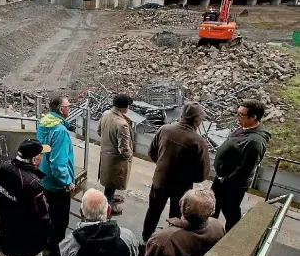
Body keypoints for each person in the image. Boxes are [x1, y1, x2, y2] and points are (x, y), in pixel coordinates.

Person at [0, 138, 53, 256]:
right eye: (41, 155)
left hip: (8, 226)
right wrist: (48, 231)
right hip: (28, 234)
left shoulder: (3, 169)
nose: (42, 158)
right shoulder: (33, 184)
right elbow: (42, 214)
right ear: (34, 160)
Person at [142, 102, 210, 243]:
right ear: (197, 120)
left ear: (182, 115)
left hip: (160, 179)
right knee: (177, 215)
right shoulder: (199, 142)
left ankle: (146, 239)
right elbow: (201, 175)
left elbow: (151, 152)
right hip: (182, 187)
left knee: (153, 211)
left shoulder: (164, 129)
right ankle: (169, 241)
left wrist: (163, 166)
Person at [212, 100, 270, 232]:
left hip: (232, 185)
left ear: (253, 117)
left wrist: (224, 180)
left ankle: (230, 240)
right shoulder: (244, 127)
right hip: (222, 179)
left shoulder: (255, 142)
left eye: (241, 115)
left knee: (231, 214)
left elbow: (245, 169)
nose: (237, 117)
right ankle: (207, 234)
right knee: (212, 208)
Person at [37, 95, 75, 246]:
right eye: (68, 106)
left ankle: (47, 243)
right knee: (60, 222)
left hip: (44, 178)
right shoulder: (60, 131)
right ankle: (55, 253)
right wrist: (67, 182)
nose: (69, 108)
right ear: (61, 110)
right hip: (57, 184)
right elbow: (58, 164)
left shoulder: (44, 122)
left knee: (48, 216)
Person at [97, 94, 134, 215]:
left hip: (106, 154)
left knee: (109, 180)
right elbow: (123, 148)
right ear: (124, 108)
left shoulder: (106, 113)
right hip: (116, 159)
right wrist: (128, 156)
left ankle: (111, 197)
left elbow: (99, 131)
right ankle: (108, 204)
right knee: (112, 181)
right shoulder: (122, 124)